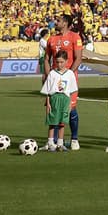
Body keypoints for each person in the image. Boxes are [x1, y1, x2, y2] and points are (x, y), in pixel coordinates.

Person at [44, 13, 83, 150]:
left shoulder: (75, 37)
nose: (55, 23)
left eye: (58, 21)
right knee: (54, 108)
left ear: (65, 23)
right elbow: (46, 59)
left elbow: (78, 58)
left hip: (69, 80)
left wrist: (69, 74)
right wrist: (49, 76)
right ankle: (53, 141)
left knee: (70, 108)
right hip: (54, 80)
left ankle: (74, 139)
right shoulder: (52, 39)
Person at [41, 49, 76, 152]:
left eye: (61, 62)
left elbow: (72, 90)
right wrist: (48, 103)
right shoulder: (52, 73)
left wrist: (71, 103)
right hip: (54, 98)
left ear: (66, 61)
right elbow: (48, 90)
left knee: (62, 122)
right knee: (52, 122)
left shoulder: (70, 73)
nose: (59, 64)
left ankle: (60, 143)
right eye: (57, 62)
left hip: (65, 99)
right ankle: (50, 143)